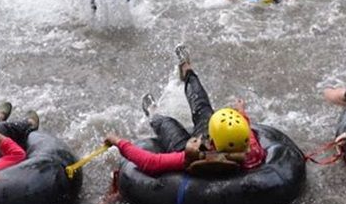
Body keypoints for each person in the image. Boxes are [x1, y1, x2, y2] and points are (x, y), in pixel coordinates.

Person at [103, 46, 266, 176]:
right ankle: (186, 69)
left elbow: (149, 162)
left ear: (212, 141)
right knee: (202, 107)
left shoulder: (194, 155)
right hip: (217, 143)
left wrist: (118, 141)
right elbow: (246, 128)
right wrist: (241, 111)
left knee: (168, 123)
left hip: (190, 149)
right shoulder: (252, 149)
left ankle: (153, 112)